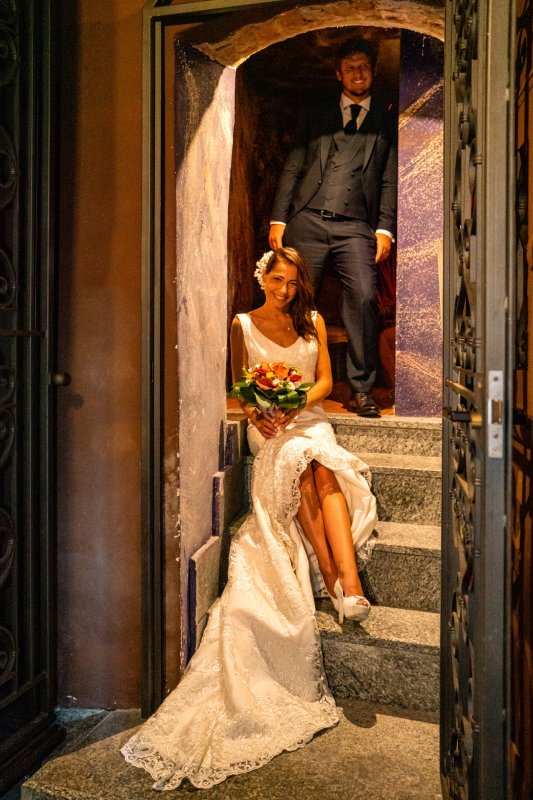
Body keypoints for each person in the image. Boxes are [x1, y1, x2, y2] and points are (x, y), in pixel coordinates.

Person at [121, 247, 377, 791]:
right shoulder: (242, 324)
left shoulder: (311, 319)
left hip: (309, 417)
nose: (284, 291)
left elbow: (325, 383)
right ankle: (339, 578)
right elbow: (240, 385)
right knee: (300, 463)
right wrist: (262, 412)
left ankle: (345, 580)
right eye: (277, 281)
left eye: (292, 283)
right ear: (263, 279)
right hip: (270, 430)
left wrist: (295, 402)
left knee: (320, 464)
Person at [269, 38, 397, 417]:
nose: (358, 74)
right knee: (292, 298)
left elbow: (389, 179)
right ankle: (290, 382)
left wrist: (385, 228)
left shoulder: (385, 120)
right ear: (338, 74)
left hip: (356, 226)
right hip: (307, 220)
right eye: (350, 67)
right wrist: (279, 219)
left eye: (364, 67)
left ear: (372, 72)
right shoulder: (317, 114)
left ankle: (362, 389)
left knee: (363, 297)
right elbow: (293, 166)